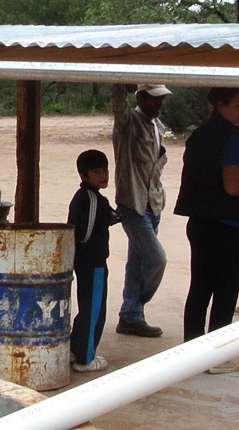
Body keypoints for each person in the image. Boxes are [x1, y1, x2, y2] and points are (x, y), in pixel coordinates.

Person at [173, 87, 239, 373]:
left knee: (199, 287)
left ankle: (191, 350)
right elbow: (232, 186)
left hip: (199, 221)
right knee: (225, 291)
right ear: (220, 105)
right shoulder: (231, 138)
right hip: (229, 223)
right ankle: (216, 355)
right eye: (238, 105)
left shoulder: (198, 136)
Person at [110, 84, 170, 338]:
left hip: (152, 203)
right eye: (154, 99)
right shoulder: (128, 122)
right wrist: (121, 81)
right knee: (157, 259)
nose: (159, 104)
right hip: (132, 203)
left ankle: (131, 315)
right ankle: (137, 305)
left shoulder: (158, 127)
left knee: (137, 262)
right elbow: (117, 103)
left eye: (161, 99)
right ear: (140, 98)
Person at [69, 149, 119, 373]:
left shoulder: (94, 198)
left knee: (87, 306)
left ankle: (75, 348)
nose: (104, 175)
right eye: (97, 171)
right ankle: (86, 358)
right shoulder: (91, 199)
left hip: (85, 260)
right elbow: (84, 232)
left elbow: (110, 216)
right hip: (93, 261)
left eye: (106, 170)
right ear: (84, 175)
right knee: (94, 310)